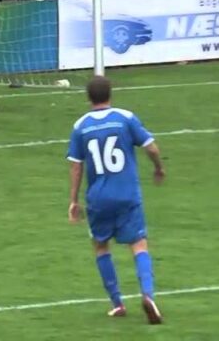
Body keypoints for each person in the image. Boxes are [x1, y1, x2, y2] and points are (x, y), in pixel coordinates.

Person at [67, 76, 165, 325]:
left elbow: (76, 166)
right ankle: (148, 295)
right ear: (111, 94)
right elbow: (151, 147)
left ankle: (117, 303)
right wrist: (158, 168)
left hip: (98, 198)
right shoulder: (126, 118)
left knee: (101, 246)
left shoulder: (81, 126)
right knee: (139, 245)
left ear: (88, 98)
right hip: (127, 195)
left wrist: (74, 200)